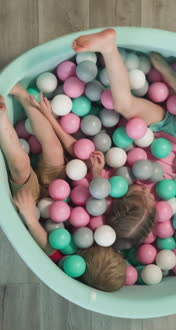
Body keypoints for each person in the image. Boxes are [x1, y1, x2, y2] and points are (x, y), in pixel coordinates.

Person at [72, 28, 176, 272]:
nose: (145, 188)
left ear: (119, 199)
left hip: (150, 126)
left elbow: (99, 186)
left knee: (122, 104)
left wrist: (97, 171)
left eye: (136, 190)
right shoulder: (163, 212)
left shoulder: (113, 189)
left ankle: (110, 48)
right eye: (149, 197)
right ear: (154, 214)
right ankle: (173, 83)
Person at [0, 92, 126, 291]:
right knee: (54, 149)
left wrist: (29, 217)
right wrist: (96, 173)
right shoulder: (103, 234)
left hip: (36, 205)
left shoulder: (69, 262)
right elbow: (96, 200)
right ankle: (26, 100)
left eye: (89, 252)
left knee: (20, 166)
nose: (92, 245)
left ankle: (1, 119)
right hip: (62, 186)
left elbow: (47, 245)